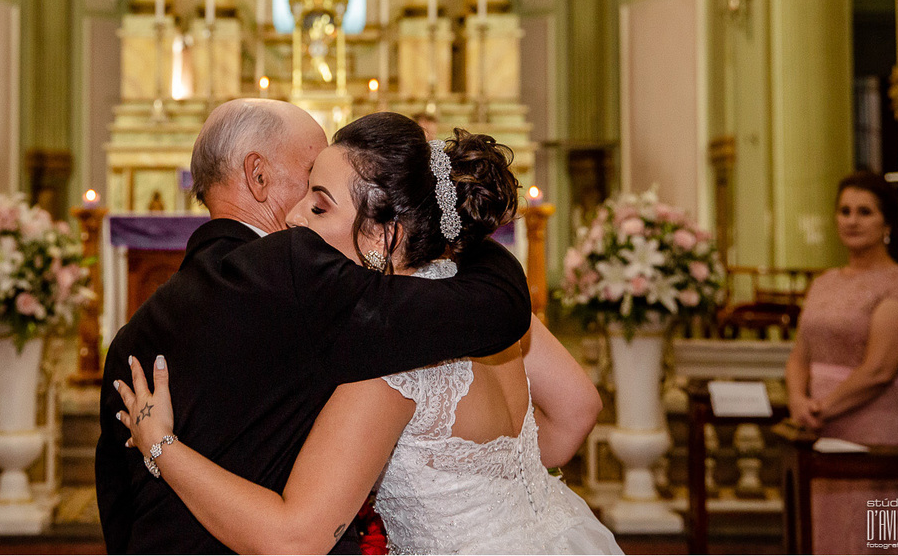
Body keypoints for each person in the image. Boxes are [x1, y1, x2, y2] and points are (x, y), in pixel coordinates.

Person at [117, 113, 621, 554]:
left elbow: (293, 540)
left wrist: (161, 444)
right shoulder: (470, 298)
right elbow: (578, 411)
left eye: (319, 207)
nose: (293, 218)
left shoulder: (386, 355)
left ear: (384, 233)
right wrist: (489, 490)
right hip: (560, 535)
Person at [785, 170, 898, 555]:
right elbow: (798, 355)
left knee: (875, 538)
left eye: (865, 212)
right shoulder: (824, 282)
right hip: (816, 431)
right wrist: (797, 401)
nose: (852, 220)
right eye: (844, 211)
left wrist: (823, 406)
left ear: (887, 222)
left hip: (875, 434)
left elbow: (880, 370)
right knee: (823, 533)